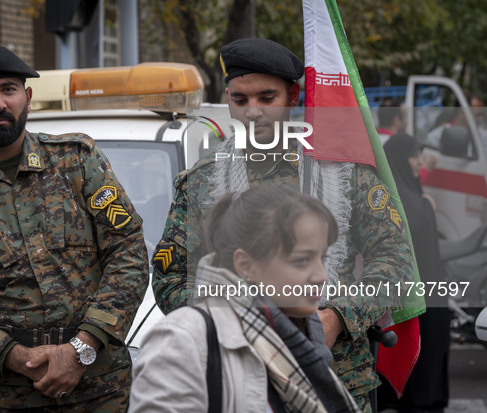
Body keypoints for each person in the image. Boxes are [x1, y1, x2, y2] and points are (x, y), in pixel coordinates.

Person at [151, 38, 413, 412]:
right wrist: (233, 318)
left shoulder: (342, 172)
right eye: (240, 100)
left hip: (336, 376)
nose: (252, 111)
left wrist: (337, 316)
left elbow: (395, 261)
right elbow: (170, 276)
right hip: (238, 376)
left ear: (293, 97)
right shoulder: (202, 181)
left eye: (266, 98)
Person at [0, 46, 149, 412]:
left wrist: (82, 347)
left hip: (102, 387)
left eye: (8, 89)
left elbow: (128, 252)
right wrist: (18, 357)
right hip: (9, 395)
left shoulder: (77, 161)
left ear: (27, 98)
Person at [131, 185, 360, 412]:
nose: (322, 276)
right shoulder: (182, 340)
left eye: (322, 258)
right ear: (246, 265)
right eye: (302, 260)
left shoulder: (302, 337)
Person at [379, 133, 450, 413]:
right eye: (414, 156)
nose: (419, 162)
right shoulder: (407, 202)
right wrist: (427, 207)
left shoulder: (406, 194)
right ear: (398, 159)